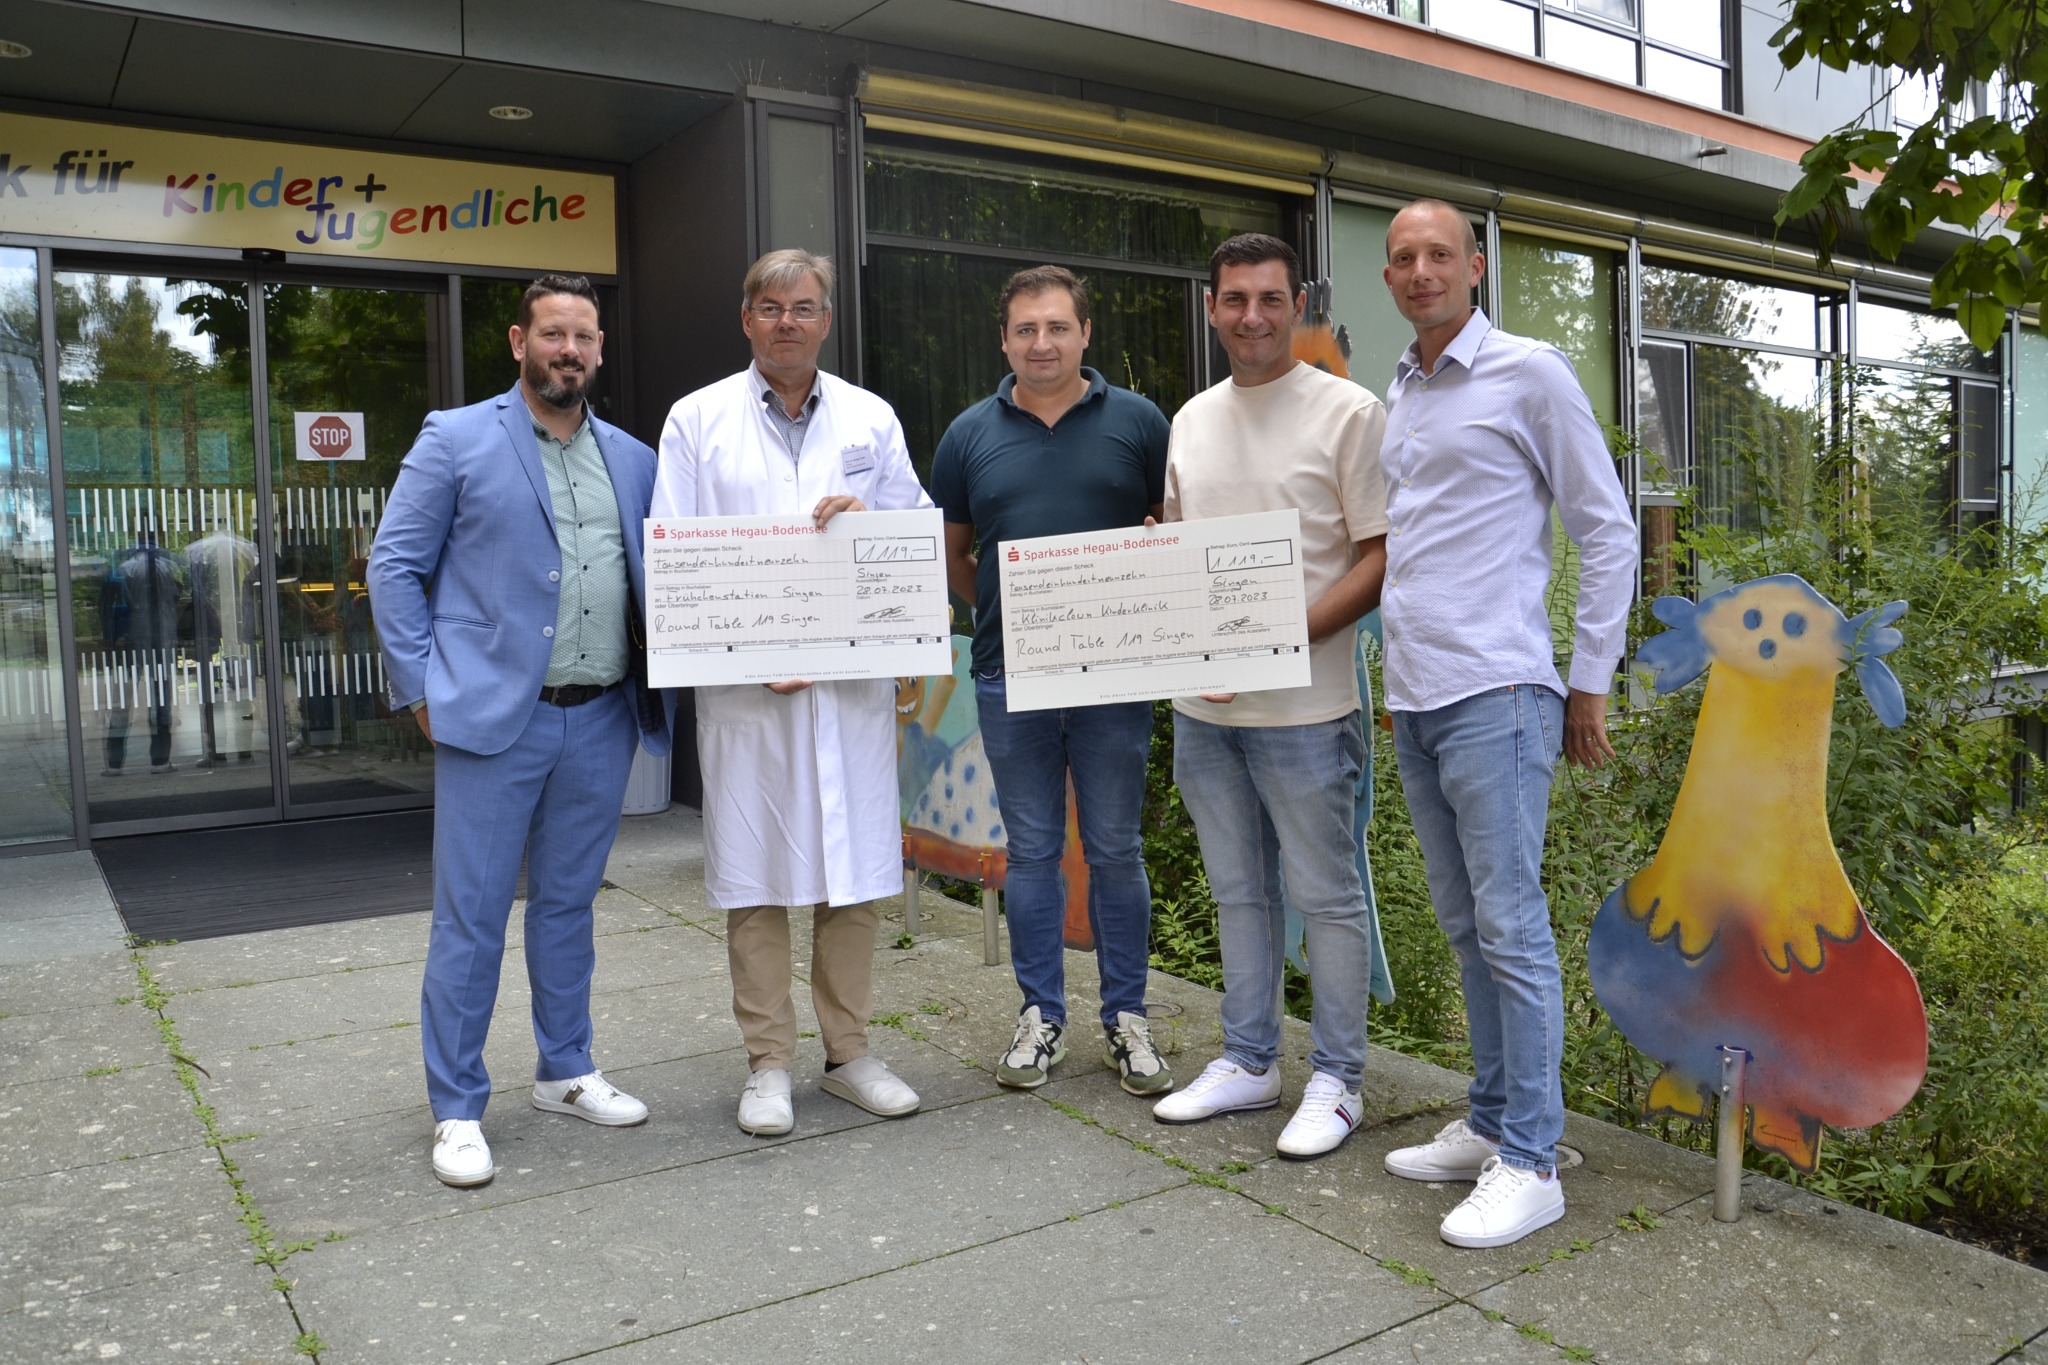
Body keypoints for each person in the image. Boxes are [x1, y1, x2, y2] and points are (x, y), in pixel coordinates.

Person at [368, 273, 670, 1188]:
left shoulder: (634, 458)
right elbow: (393, 566)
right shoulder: (455, 437)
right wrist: (421, 688)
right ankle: (458, 1107)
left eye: (583, 336)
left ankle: (564, 1069)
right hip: (493, 721)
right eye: (552, 334)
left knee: (569, 905)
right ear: (518, 342)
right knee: (471, 918)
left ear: (600, 349)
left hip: (601, 716)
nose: (568, 350)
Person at [1375, 199, 1637, 1247]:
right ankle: (1490, 1121)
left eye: (1439, 253)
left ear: (1474, 266)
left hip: (1501, 694)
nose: (1421, 270)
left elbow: (1606, 530)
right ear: (1388, 278)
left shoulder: (1529, 373)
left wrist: (1589, 680)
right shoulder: (1399, 389)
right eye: (1403, 257)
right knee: (1466, 926)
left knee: (1512, 929)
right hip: (1417, 696)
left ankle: (1532, 1158)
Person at [654, 248, 927, 1138]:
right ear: (746, 319)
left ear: (826, 320)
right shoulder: (696, 420)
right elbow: (676, 557)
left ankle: (850, 1054)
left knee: (854, 877)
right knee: (756, 878)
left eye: (804, 307)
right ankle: (767, 1062)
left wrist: (870, 525)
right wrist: (748, 654)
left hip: (847, 691)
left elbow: (914, 538)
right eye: (770, 307)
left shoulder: (871, 417)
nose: (787, 322)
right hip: (750, 695)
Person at [1149, 233, 1389, 1160]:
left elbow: (1380, 556)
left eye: (1270, 299)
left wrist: (1281, 637)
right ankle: (1249, 1059)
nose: (1252, 316)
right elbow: (1182, 549)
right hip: (1205, 709)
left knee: (1326, 895)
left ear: (1297, 307)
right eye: (1235, 299)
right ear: (1211, 307)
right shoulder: (1190, 418)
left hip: (1308, 712)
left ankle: (1339, 1077)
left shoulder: (1349, 411)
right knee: (1238, 891)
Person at [930, 265, 1174, 1097]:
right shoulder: (968, 435)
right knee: (1031, 851)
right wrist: (1016, 613)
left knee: (1115, 849)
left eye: (1057, 326)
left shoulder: (1140, 422)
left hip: (1115, 677)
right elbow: (954, 554)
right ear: (1004, 340)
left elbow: (1171, 533)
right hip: (1009, 677)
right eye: (1026, 329)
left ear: (1085, 334)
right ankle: (1040, 1016)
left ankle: (1128, 1016)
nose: (1043, 343)